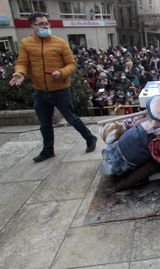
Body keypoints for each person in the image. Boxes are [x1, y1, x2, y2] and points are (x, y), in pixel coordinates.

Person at [9, 13, 97, 162]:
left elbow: (72, 65)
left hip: (60, 89)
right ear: (33, 27)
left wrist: (61, 72)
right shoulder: (26, 43)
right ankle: (48, 150)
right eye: (42, 24)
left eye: (47, 23)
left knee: (72, 118)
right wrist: (20, 73)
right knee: (45, 124)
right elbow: (23, 62)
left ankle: (90, 138)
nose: (46, 26)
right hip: (40, 91)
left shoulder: (60, 43)